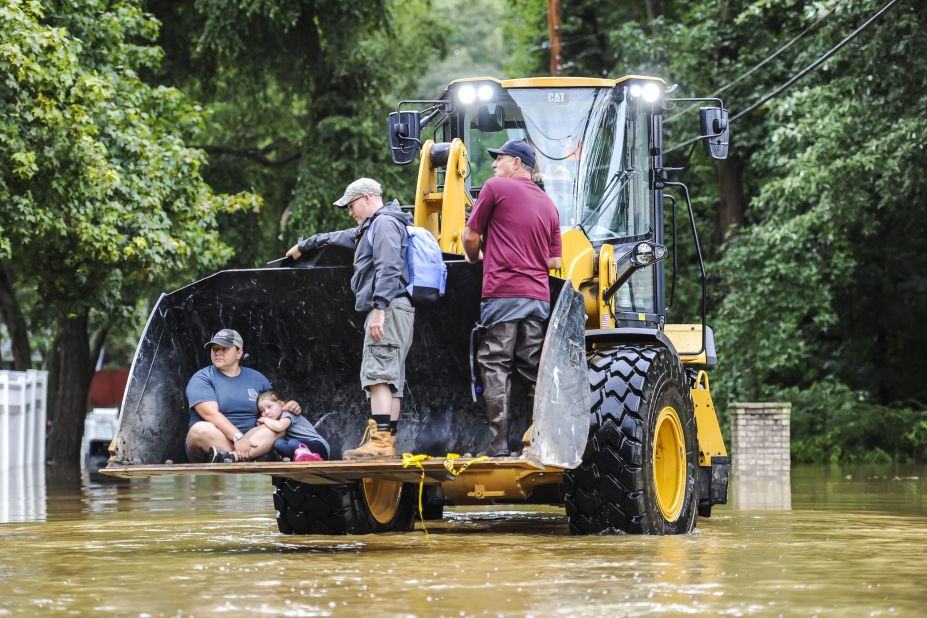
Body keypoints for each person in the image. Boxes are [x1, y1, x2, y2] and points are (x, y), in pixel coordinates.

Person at [286, 178, 414, 460]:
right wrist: (305, 245)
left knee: (378, 373)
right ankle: (386, 440)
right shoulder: (373, 227)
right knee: (390, 377)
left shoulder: (382, 224)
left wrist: (379, 309)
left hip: (388, 308)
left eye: (351, 205)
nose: (350, 212)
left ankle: (380, 442)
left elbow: (388, 267)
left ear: (367, 198)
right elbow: (338, 236)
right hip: (395, 308)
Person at [462, 139, 563, 457]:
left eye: (499, 159)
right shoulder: (549, 205)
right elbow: (555, 263)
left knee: (495, 364)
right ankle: (538, 441)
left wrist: (474, 256)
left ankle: (498, 445)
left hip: (503, 292)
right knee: (533, 368)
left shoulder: (494, 189)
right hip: (538, 299)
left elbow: (469, 235)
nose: (494, 165)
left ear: (516, 163)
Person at [184, 328, 302, 463]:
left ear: (239, 352)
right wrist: (238, 438)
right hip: (213, 444)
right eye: (214, 349)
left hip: (251, 442)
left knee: (279, 428)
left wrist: (290, 407)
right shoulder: (202, 378)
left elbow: (274, 409)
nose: (217, 352)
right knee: (200, 429)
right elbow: (210, 414)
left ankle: (232, 459)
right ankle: (241, 460)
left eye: (224, 349)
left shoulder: (257, 379)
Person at [256, 389, 330, 461]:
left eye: (269, 407)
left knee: (292, 442)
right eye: (262, 411)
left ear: (281, 405)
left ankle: (310, 456)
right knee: (278, 444)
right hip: (299, 447)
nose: (266, 412)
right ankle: (301, 458)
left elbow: (280, 426)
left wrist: (265, 420)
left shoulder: (288, 414)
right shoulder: (274, 422)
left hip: (320, 447)